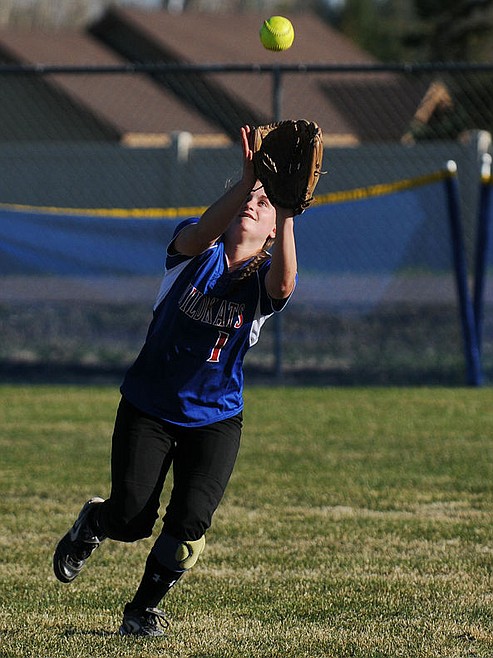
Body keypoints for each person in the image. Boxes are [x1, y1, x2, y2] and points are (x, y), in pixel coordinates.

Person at [53, 124, 298, 637]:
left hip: (216, 417)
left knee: (190, 526)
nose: (253, 205)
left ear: (275, 229)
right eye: (248, 197)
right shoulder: (194, 251)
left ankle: (141, 610)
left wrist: (289, 209)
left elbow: (284, 284)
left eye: (264, 203)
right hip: (150, 405)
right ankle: (94, 523)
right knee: (131, 519)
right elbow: (203, 231)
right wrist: (248, 180)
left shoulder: (262, 280)